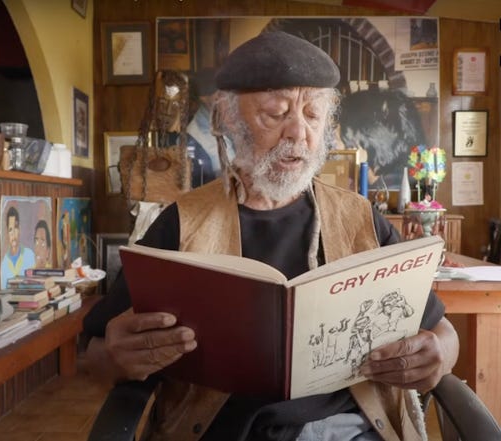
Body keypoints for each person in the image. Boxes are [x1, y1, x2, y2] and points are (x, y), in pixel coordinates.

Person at [83, 31, 458, 441]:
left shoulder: (360, 219)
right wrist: (118, 359)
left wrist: (438, 355)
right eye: (276, 113)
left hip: (350, 430)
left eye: (313, 114)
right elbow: (94, 356)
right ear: (227, 119)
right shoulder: (180, 224)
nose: (299, 133)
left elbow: (443, 331)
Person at [0, 206, 35, 287]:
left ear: (19, 229)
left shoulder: (30, 255)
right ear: (7, 233)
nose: (13, 233)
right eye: (10, 229)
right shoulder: (4, 264)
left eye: (16, 227)